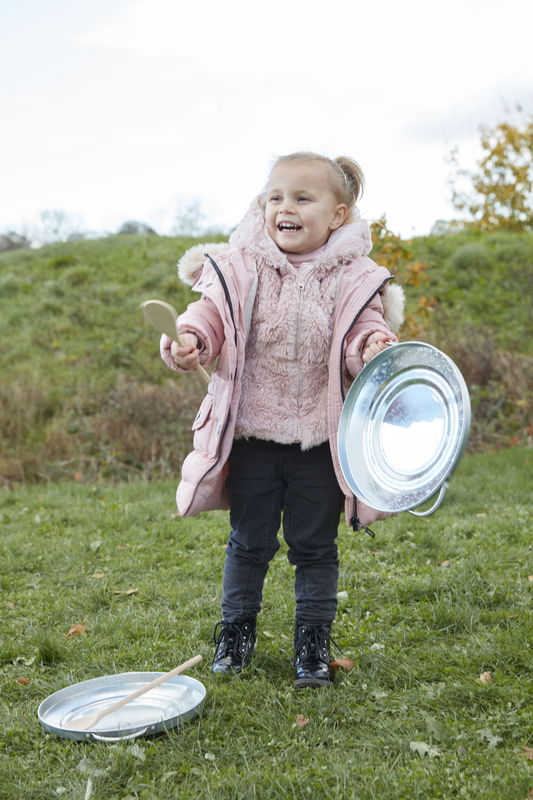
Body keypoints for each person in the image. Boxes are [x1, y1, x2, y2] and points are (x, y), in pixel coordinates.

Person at [160, 152, 404, 688]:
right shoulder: (239, 266)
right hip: (252, 435)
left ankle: (312, 647)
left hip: (320, 439)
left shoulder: (355, 277)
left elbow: (361, 331)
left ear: (337, 216)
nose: (284, 207)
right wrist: (193, 341)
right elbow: (209, 315)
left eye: (301, 197)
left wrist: (372, 346)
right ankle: (235, 638)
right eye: (275, 196)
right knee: (249, 541)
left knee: (315, 546)